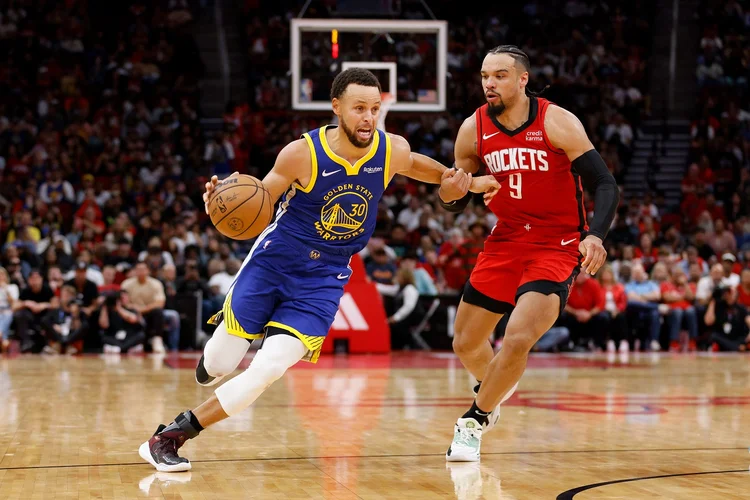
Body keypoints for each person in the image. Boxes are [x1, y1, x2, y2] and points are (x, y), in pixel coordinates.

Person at [138, 68, 497, 472]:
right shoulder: (301, 153)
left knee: (268, 369)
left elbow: (416, 165)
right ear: (336, 107)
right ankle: (214, 362)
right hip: (273, 264)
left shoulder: (390, 149)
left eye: (375, 109)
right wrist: (220, 201)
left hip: (324, 277)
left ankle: (171, 435)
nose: (368, 117)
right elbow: (260, 199)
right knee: (221, 363)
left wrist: (464, 179)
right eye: (359, 108)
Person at [439, 45, 619, 462]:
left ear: (522, 79)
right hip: (505, 240)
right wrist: (452, 193)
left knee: (518, 336)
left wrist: (595, 235)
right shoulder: (473, 128)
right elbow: (456, 198)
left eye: (500, 75)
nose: (489, 83)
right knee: (465, 344)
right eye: (485, 75)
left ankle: (474, 420)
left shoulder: (555, 120)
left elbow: (605, 183)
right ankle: (496, 391)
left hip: (556, 243)